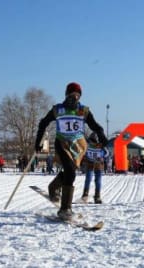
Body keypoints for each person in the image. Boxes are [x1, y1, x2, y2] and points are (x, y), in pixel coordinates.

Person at [34, 82, 108, 219]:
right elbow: (43, 123)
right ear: (67, 95)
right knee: (70, 172)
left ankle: (53, 187)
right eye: (72, 95)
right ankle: (65, 209)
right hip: (62, 143)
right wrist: (37, 142)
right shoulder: (58, 110)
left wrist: (102, 136)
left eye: (77, 95)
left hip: (77, 146)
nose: (74, 98)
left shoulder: (83, 111)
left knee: (70, 171)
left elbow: (95, 126)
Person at [81, 133, 109, 204]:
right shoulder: (100, 145)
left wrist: (86, 157)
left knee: (89, 179)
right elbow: (107, 153)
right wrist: (102, 157)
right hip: (97, 163)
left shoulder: (88, 144)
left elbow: (83, 152)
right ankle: (96, 196)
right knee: (96, 180)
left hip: (93, 163)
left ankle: (87, 195)